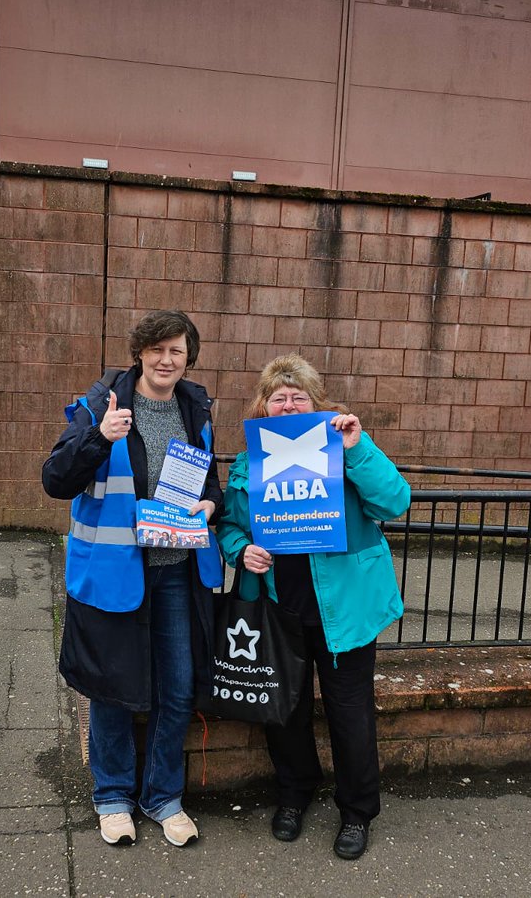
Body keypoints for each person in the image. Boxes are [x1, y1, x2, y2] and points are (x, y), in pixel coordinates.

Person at [216, 354, 411, 861]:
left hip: (345, 609)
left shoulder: (346, 448)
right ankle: (294, 793)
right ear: (263, 406)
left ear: (316, 404)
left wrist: (356, 447)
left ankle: (357, 810)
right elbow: (231, 528)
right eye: (278, 397)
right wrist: (242, 550)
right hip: (281, 609)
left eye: (298, 396)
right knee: (285, 714)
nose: (288, 404)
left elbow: (394, 501)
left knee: (350, 714)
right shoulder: (248, 464)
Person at [41, 310, 224, 848]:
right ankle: (113, 796)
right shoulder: (105, 402)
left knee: (178, 685)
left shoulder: (196, 406)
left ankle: (163, 797)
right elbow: (56, 479)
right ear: (139, 353)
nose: (167, 360)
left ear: (189, 356)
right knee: (112, 687)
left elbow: (209, 478)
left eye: (177, 350)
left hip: (177, 574)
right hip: (115, 570)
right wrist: (97, 437)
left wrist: (210, 507)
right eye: (157, 349)